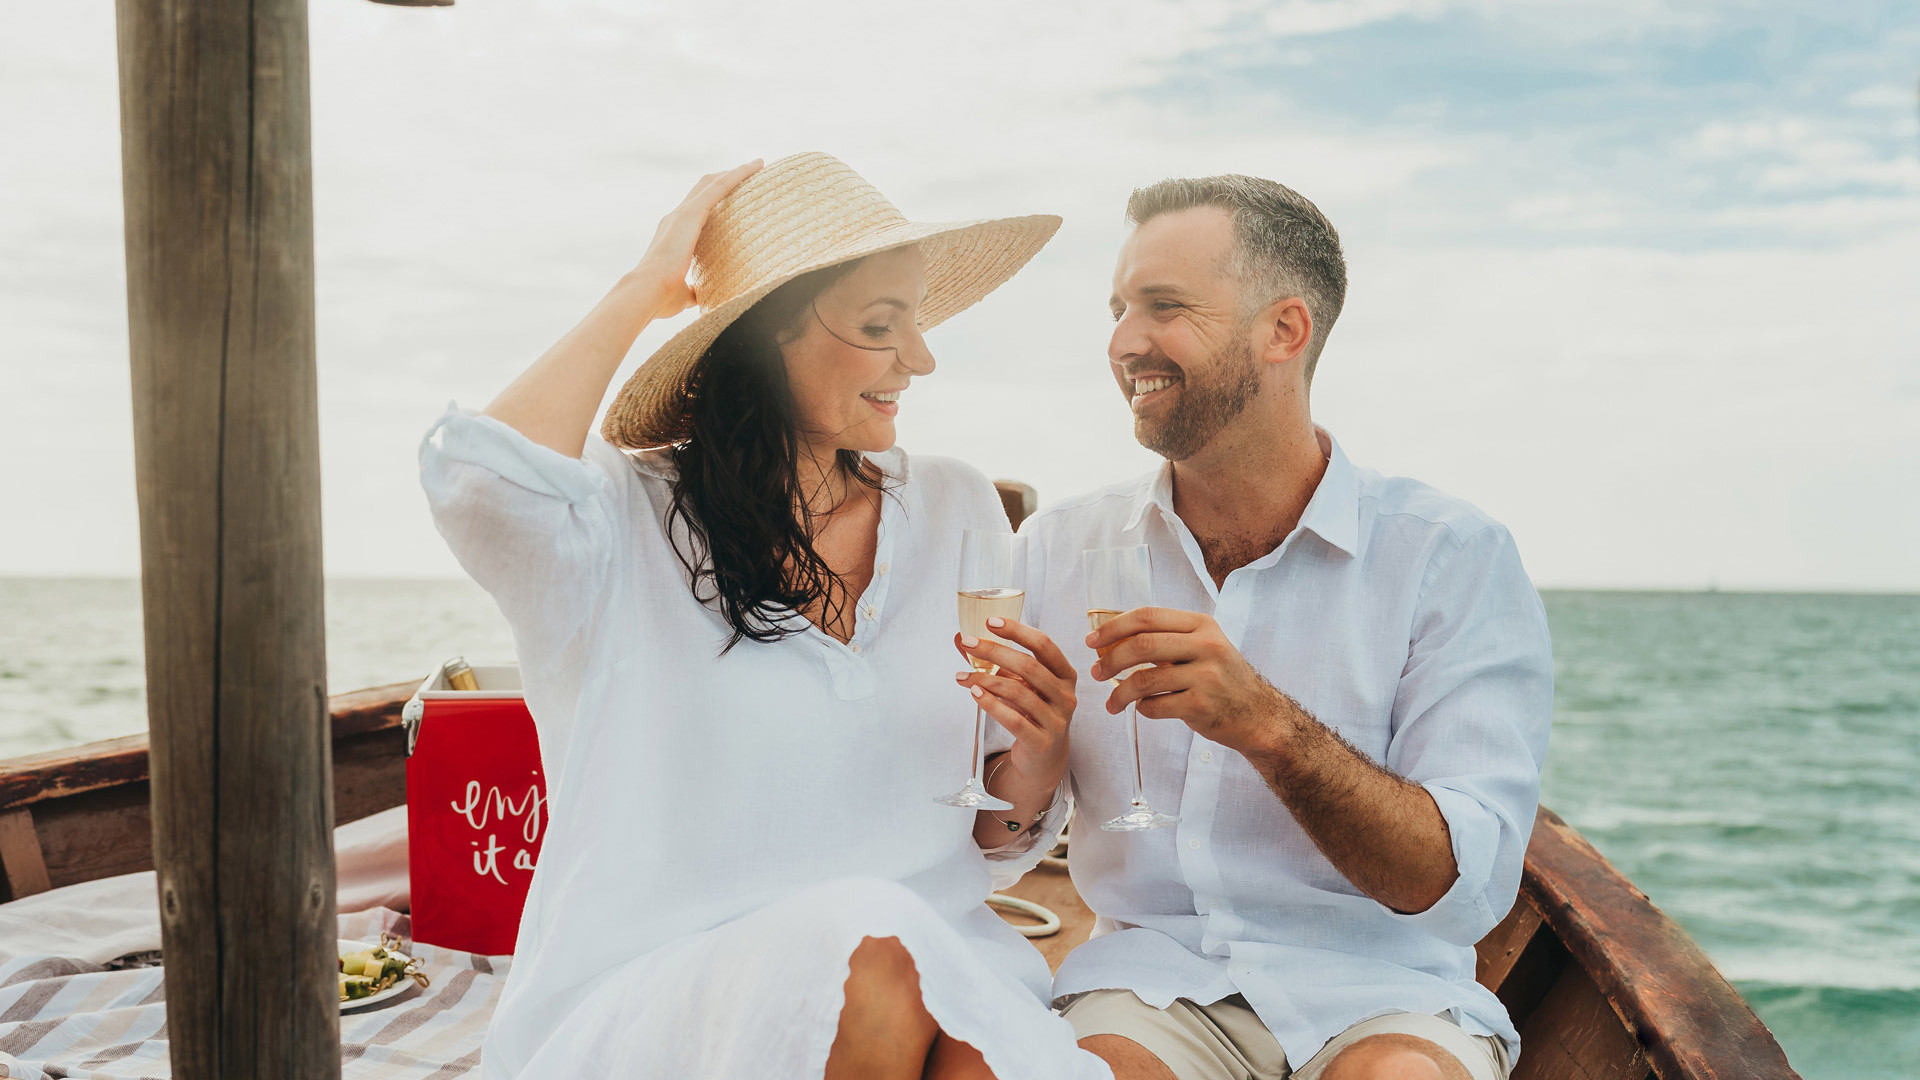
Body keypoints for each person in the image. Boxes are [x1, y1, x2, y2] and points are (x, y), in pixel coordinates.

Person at [419, 152, 1110, 1080]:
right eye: (881, 324)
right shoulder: (620, 520)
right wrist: (643, 288)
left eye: (917, 321)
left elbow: (987, 840)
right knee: (874, 952)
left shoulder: (956, 507)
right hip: (672, 997)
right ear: (760, 338)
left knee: (961, 1024)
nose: (921, 358)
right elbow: (479, 485)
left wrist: (1036, 755)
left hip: (944, 968)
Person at [1003, 176, 1554, 1080]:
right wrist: (1028, 767)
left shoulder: (1451, 557)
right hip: (1148, 986)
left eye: (1164, 306)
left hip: (1388, 993)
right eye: (1118, 309)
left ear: (1284, 330)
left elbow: (1457, 889)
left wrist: (1265, 724)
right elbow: (1003, 843)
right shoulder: (1057, 549)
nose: (1123, 342)